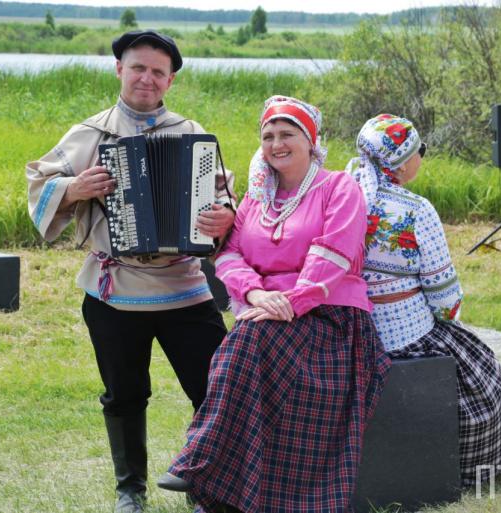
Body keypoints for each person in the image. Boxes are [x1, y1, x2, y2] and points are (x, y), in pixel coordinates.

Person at [26, 30, 236, 513]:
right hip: (114, 290)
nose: (147, 78)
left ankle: (207, 486)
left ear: (170, 80)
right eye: (138, 67)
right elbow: (39, 184)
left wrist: (225, 216)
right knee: (123, 394)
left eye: (158, 72)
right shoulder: (90, 133)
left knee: (213, 390)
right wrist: (75, 188)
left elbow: (224, 200)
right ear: (119, 69)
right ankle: (130, 491)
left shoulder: (191, 132)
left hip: (186, 287)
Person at [156, 96, 391, 513]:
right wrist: (256, 294)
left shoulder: (339, 187)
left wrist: (291, 301)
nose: (276, 144)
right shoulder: (255, 198)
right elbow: (228, 254)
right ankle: (216, 482)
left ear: (310, 140)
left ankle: (200, 463)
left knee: (246, 341)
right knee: (249, 340)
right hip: (268, 312)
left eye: (287, 134)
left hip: (331, 314)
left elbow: (334, 253)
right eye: (268, 136)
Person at [346, 114, 501, 486]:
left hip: (348, 334)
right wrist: (451, 318)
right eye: (418, 149)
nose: (421, 156)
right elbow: (444, 296)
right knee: (483, 376)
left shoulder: (340, 195)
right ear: (402, 162)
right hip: (407, 339)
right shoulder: (415, 209)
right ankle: (469, 471)